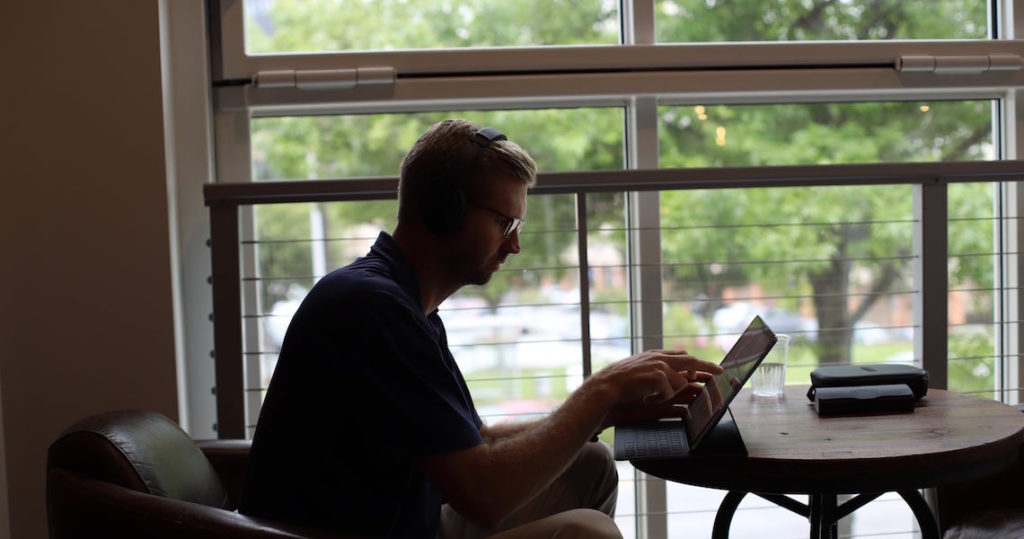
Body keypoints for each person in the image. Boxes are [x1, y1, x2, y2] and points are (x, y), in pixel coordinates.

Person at [239, 119, 723, 538]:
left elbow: (478, 440)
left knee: (591, 461)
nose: (514, 247)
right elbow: (484, 495)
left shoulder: (405, 304)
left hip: (411, 523)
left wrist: (605, 411)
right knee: (588, 533)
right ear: (442, 209)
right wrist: (599, 391)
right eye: (503, 222)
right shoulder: (372, 309)